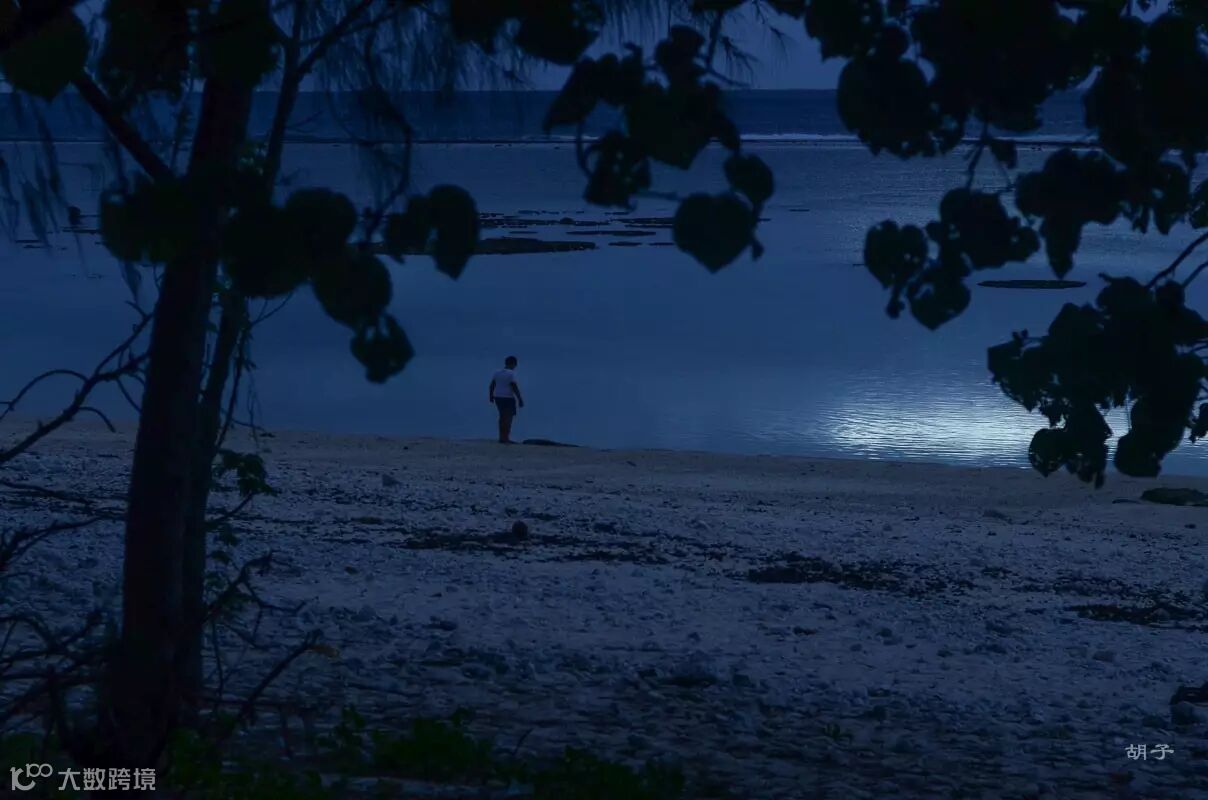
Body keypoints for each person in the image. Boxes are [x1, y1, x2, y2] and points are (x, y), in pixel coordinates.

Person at [488, 356, 524, 444]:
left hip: (498, 396)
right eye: (515, 364)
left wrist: (491, 396)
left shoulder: (497, 372)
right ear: (513, 364)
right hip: (508, 397)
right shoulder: (511, 373)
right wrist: (520, 399)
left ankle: (501, 437)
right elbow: (514, 386)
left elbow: (492, 385)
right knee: (508, 418)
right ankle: (506, 438)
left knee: (502, 417)